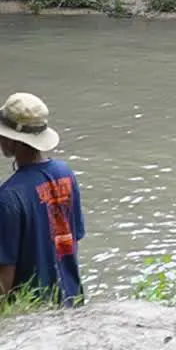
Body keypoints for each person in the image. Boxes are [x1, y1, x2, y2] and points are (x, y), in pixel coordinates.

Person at [0, 92, 86, 308]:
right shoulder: (65, 173)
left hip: (34, 307)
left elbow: (6, 271)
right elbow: (73, 240)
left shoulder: (9, 197)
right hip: (71, 297)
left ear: (13, 141)